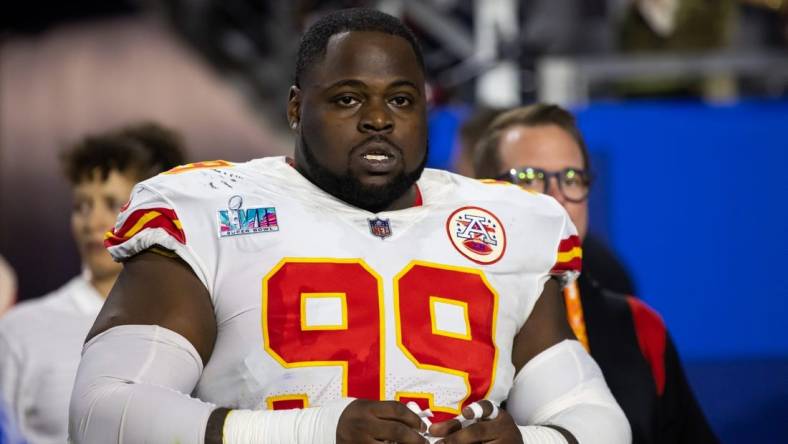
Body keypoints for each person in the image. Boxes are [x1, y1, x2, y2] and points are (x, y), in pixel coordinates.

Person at [69, 9, 630, 444]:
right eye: (347, 98)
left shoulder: (505, 222)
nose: (379, 119)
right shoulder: (208, 209)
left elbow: (597, 419)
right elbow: (104, 410)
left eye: (402, 100)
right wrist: (316, 432)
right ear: (294, 108)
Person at [473, 103, 718, 444]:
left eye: (572, 178)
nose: (558, 198)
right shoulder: (452, 320)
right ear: (483, 195)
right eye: (529, 178)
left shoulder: (639, 327)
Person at [0, 123, 186, 444]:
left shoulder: (193, 322)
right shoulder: (19, 331)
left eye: (112, 204)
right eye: (81, 206)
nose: (92, 222)